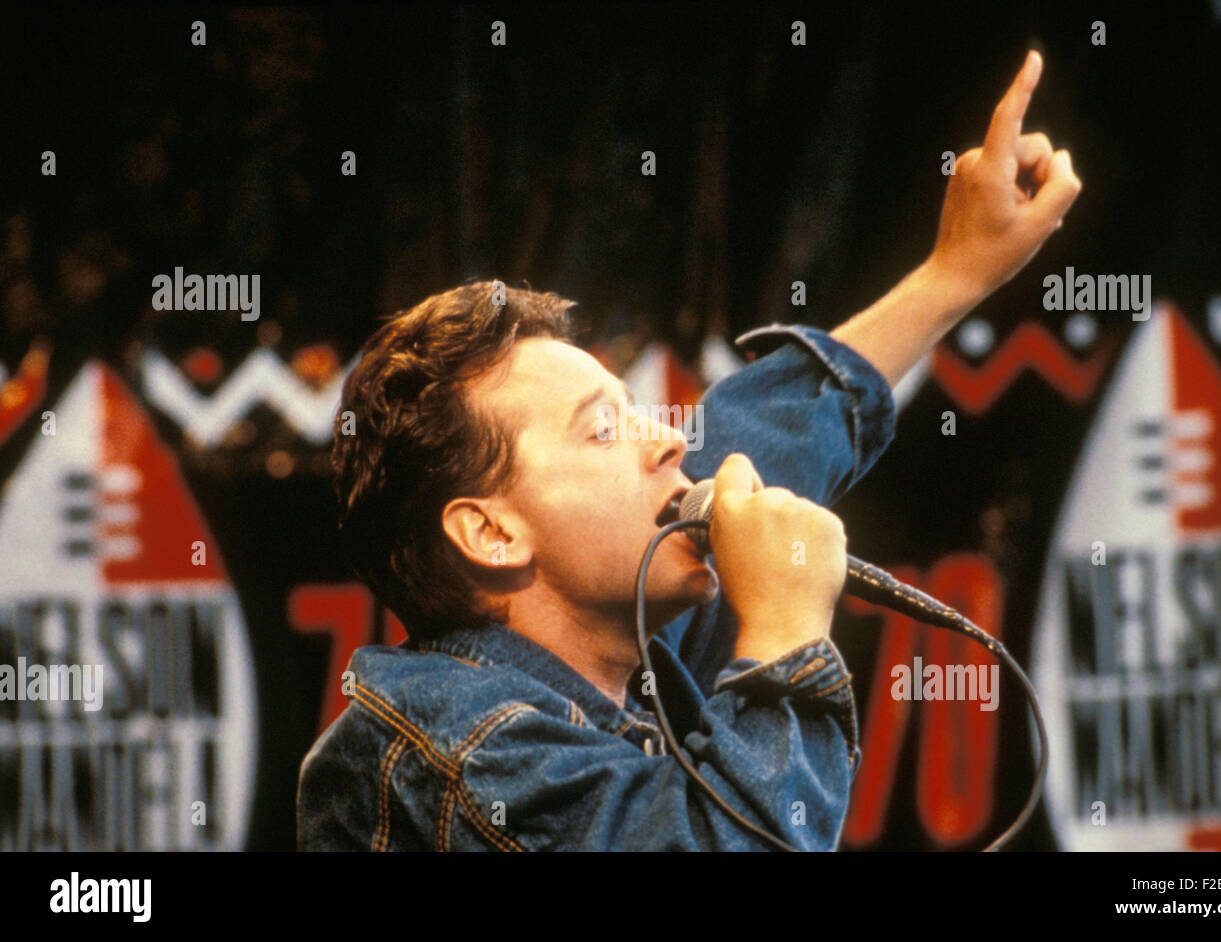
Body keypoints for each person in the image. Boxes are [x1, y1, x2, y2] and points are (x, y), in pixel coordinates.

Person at [297, 50, 1080, 851]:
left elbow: (761, 431)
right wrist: (784, 633)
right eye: (603, 429)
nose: (669, 439)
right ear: (492, 533)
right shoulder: (457, 753)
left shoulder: (633, 644)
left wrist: (957, 271)